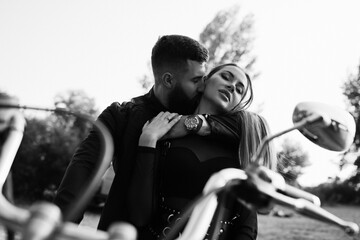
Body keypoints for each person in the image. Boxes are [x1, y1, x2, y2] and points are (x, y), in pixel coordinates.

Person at [53, 35, 244, 231]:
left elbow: (251, 128)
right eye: (196, 80)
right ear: (168, 80)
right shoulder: (121, 116)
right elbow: (82, 171)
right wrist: (59, 228)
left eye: (203, 79)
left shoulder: (204, 114)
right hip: (123, 231)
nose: (203, 86)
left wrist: (194, 123)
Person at [127, 63, 277, 240]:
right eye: (226, 77)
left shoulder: (245, 143)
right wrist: (148, 141)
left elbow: (247, 225)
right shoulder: (167, 128)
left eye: (239, 89)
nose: (231, 86)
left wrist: (195, 123)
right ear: (204, 82)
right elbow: (138, 215)